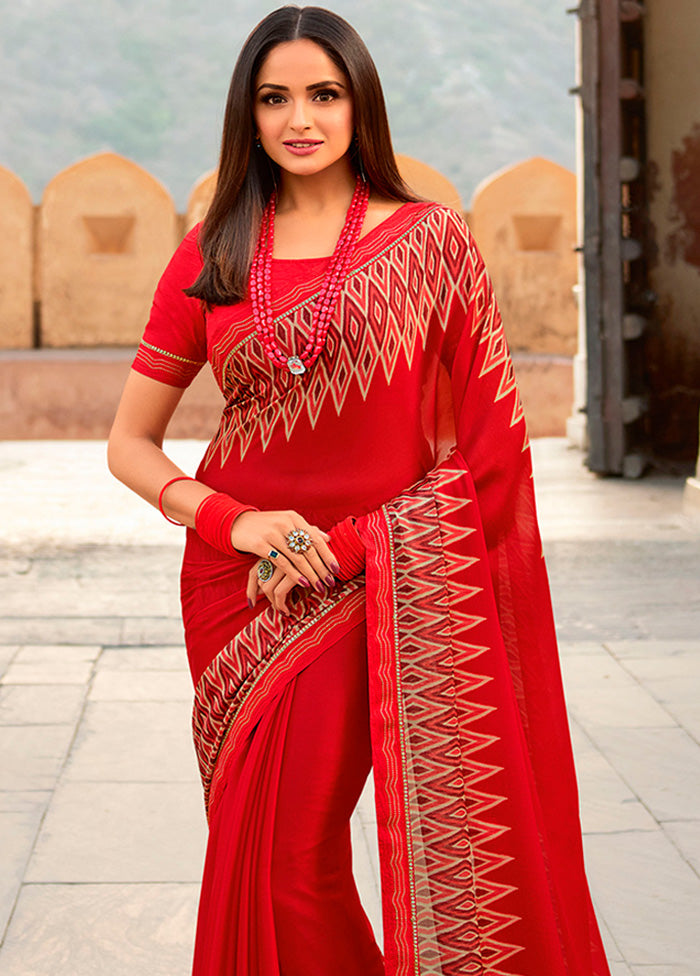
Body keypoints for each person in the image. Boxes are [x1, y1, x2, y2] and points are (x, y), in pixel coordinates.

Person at [108, 5, 611, 975]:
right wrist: (236, 521)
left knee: (292, 855)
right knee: (258, 852)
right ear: (246, 116)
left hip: (368, 577)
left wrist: (340, 549)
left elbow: (493, 459)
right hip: (237, 584)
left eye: (323, 94)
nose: (300, 117)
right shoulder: (211, 254)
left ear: (360, 104)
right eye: (274, 97)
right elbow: (131, 444)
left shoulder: (432, 244)